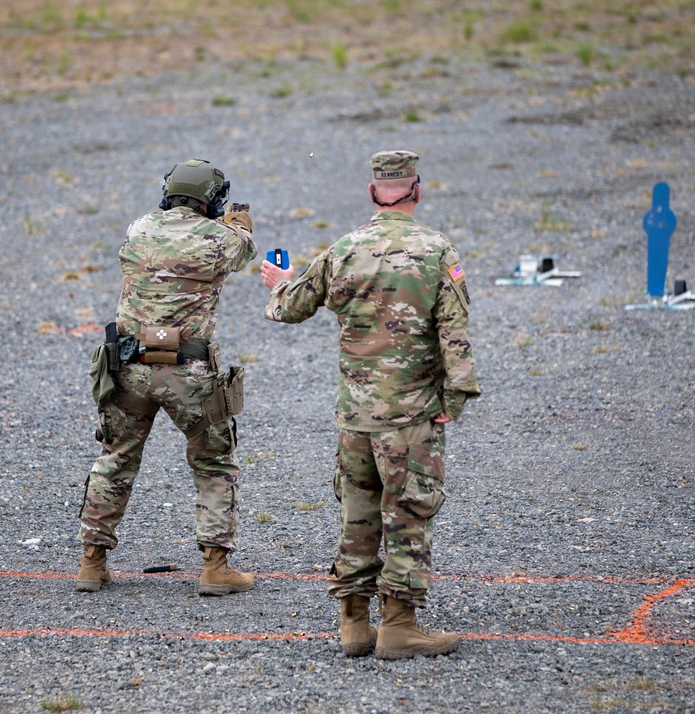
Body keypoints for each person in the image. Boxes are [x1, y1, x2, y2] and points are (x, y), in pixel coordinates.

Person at [259, 150, 480, 659]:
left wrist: (280, 283)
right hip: (411, 414)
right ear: (417, 191)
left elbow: (289, 309)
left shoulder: (345, 248)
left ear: (373, 193)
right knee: (408, 511)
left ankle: (354, 624)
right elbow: (454, 330)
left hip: (355, 414)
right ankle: (399, 626)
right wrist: (456, 395)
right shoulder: (436, 251)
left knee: (358, 512)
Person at [76, 159, 257, 596]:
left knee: (115, 459)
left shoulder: (139, 228)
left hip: (129, 366)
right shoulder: (219, 238)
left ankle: (92, 563)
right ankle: (216, 568)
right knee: (213, 462)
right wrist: (241, 226)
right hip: (187, 370)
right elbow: (244, 251)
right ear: (209, 198)